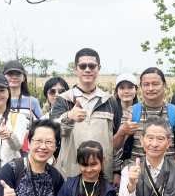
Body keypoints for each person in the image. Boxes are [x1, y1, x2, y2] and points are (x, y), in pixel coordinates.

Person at [50, 48, 124, 183]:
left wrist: (117, 171)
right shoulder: (63, 99)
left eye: (92, 66)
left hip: (103, 174)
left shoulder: (109, 101)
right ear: (75, 69)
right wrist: (69, 117)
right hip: (71, 173)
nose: (87, 69)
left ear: (99, 68)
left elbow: (116, 139)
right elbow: (54, 132)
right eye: (83, 66)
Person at [118, 67, 175, 168]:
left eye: (155, 84)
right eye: (146, 84)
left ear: (164, 86)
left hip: (168, 176)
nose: (150, 88)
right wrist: (122, 132)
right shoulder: (131, 112)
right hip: (136, 175)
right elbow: (116, 146)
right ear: (141, 87)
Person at [4, 60, 43, 125]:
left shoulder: (32, 102)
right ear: (4, 77)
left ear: (23, 78)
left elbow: (41, 127)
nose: (14, 77)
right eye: (10, 74)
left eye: (18, 74)